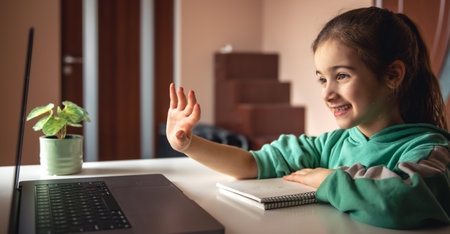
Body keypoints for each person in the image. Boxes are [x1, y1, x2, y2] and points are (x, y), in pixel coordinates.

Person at [166, 7, 449, 229]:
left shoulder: (430, 150)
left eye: (341, 76)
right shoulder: (329, 145)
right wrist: (188, 144)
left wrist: (328, 181)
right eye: (322, 80)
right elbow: (251, 164)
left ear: (392, 75)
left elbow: (403, 199)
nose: (327, 93)